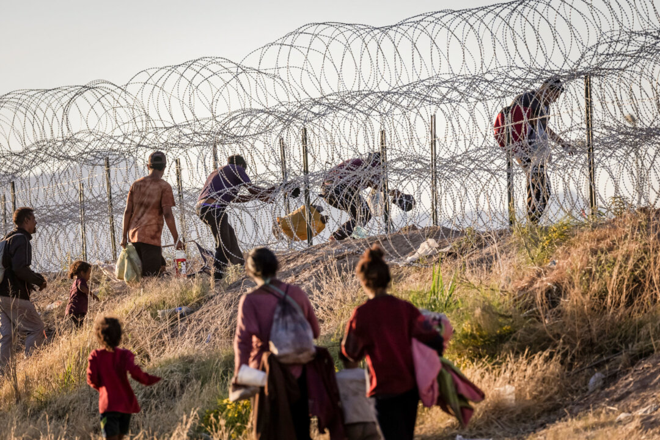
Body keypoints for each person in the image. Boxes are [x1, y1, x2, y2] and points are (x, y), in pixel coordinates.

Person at [342, 245, 444, 440]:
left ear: (363, 282)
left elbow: (350, 352)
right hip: (409, 387)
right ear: (388, 278)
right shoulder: (405, 309)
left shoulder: (361, 314)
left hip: (382, 389)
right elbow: (434, 340)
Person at [233, 247, 320, 440]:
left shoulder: (250, 301)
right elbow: (315, 332)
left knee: (269, 431)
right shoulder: (296, 293)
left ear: (250, 271)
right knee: (300, 431)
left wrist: (240, 375)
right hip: (299, 373)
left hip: (265, 376)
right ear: (276, 266)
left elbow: (243, 342)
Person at [197, 155, 277, 281]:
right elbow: (251, 189)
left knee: (229, 235)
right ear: (242, 166)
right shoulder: (237, 169)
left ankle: (239, 267)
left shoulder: (220, 172)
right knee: (223, 243)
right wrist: (268, 192)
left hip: (204, 207)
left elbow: (235, 199)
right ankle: (217, 277)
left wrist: (261, 196)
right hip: (214, 208)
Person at [509, 77, 577, 223]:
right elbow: (515, 123)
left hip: (537, 151)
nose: (555, 100)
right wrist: (523, 148)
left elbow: (544, 128)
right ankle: (532, 224)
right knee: (539, 185)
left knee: (541, 187)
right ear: (547, 90)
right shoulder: (527, 99)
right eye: (555, 95)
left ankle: (532, 223)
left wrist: (562, 143)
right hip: (523, 149)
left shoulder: (545, 106)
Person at [87, 316, 161, 440]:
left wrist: (102, 389)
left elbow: (91, 379)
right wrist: (154, 379)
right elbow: (137, 374)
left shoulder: (96, 356)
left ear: (99, 336)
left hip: (108, 405)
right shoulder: (125, 354)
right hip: (126, 405)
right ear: (119, 336)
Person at [120, 151, 184, 277]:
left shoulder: (136, 184)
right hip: (151, 239)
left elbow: (127, 211)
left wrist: (123, 236)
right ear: (165, 168)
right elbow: (167, 214)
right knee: (150, 278)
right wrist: (176, 238)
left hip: (133, 238)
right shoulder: (164, 186)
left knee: (158, 268)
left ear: (148, 166)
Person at [0, 207, 48, 373]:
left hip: (1, 295)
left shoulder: (6, 238)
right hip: (15, 294)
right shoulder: (21, 240)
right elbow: (20, 268)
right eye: (33, 219)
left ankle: (3, 375)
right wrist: (39, 280)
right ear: (26, 221)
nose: (36, 223)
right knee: (36, 328)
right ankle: (31, 370)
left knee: (8, 336)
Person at [320, 153, 403, 241]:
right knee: (365, 214)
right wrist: (392, 192)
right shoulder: (371, 165)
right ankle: (343, 236)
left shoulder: (357, 163)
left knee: (359, 214)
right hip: (341, 190)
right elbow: (372, 183)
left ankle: (341, 236)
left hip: (327, 191)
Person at [336, 351, 382, 440]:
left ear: (340, 357)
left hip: (350, 422)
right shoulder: (368, 375)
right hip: (370, 421)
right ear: (360, 357)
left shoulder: (337, 378)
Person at [65, 261, 99, 327]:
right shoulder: (81, 280)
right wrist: (92, 294)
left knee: (76, 329)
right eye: (88, 274)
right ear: (82, 273)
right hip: (77, 310)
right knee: (79, 328)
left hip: (71, 310)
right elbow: (81, 287)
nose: (89, 276)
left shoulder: (75, 282)